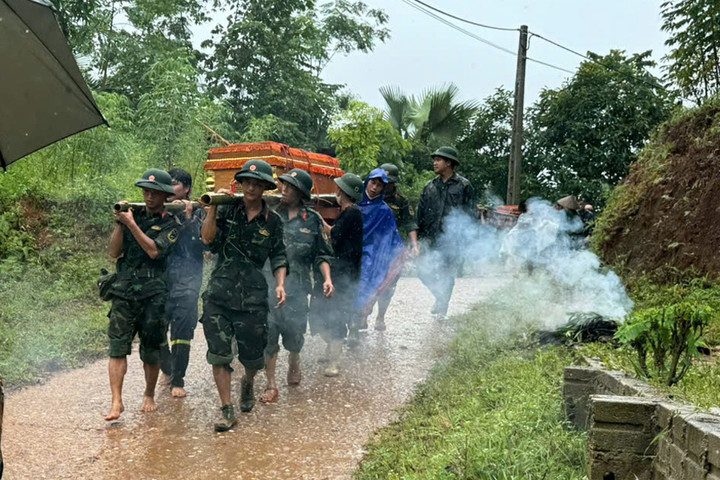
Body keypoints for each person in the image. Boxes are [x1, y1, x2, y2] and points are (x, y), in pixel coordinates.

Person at [200, 160, 288, 432]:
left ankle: (248, 382)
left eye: (257, 183)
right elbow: (207, 240)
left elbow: (279, 256)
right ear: (240, 184)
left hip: (252, 297)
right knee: (219, 353)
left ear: (264, 187)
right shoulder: (227, 210)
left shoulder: (273, 222)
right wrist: (213, 208)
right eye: (247, 182)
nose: (251, 187)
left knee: (253, 358)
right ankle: (227, 410)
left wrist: (280, 284)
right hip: (219, 295)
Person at [105, 169, 180, 421]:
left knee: (151, 350)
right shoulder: (131, 216)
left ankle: (149, 393)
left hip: (153, 295)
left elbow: (154, 251)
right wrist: (119, 224)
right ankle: (117, 401)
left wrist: (131, 224)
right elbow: (114, 253)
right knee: (117, 347)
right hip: (124, 291)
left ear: (165, 196)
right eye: (146, 191)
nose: (148, 196)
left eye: (154, 192)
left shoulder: (171, 224)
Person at [260, 169, 334, 404]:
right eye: (283, 185)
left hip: (298, 288)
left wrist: (327, 279)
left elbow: (321, 255)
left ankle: (294, 359)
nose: (284, 190)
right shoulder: (270, 214)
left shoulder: (311, 220)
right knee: (269, 332)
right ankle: (271, 383)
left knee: (294, 333)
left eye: (290, 187)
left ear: (301, 193)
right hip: (270, 285)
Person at [159, 168, 205, 398]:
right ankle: (166, 369)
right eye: (166, 183)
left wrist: (188, 221)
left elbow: (203, 245)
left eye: (174, 184)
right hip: (160, 279)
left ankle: (178, 379)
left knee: (182, 330)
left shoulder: (198, 213)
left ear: (187, 189)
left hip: (188, 278)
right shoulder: (157, 211)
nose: (169, 188)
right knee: (155, 328)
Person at [416, 146, 475, 320]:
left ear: (448, 163)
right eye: (434, 160)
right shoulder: (430, 186)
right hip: (430, 238)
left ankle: (442, 309)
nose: (434, 163)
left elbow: (471, 214)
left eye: (438, 160)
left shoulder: (464, 185)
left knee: (447, 274)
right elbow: (420, 214)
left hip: (452, 240)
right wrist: (418, 239)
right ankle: (440, 297)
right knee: (422, 271)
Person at [314, 173, 364, 376]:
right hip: (340, 272)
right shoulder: (349, 212)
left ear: (342, 192)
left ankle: (334, 362)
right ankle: (330, 351)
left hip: (344, 274)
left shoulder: (352, 213)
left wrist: (317, 219)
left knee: (335, 317)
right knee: (322, 314)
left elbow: (333, 233)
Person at [368, 163, 419, 331]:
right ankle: (363, 314)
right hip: (372, 248)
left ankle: (380, 317)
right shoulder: (370, 198)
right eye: (383, 182)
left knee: (389, 286)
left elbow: (410, 223)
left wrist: (414, 244)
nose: (386, 185)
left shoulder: (401, 201)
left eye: (389, 182)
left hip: (392, 251)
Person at [355, 168, 404, 335]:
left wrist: (399, 254)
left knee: (370, 281)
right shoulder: (355, 203)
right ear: (367, 182)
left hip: (374, 253)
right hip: (354, 250)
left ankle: (362, 318)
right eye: (372, 183)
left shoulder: (385, 211)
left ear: (384, 189)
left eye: (379, 186)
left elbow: (391, 236)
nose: (374, 188)